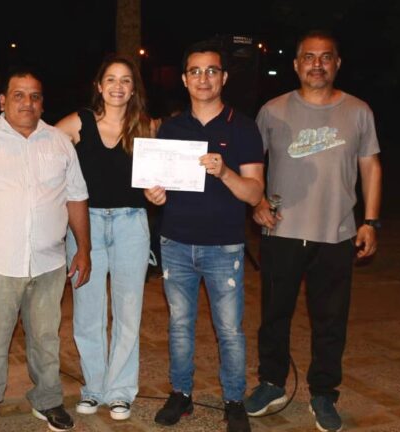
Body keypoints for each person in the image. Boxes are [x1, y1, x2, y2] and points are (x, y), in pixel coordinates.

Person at [244, 30, 382, 432]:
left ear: (337, 63)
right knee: (274, 315)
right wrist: (257, 203)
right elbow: (253, 164)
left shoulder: (358, 111)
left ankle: (323, 393)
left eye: (325, 57)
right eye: (309, 57)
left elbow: (371, 166)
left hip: (336, 234)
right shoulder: (272, 110)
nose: (316, 64)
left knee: (330, 321)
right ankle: (271, 383)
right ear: (296, 64)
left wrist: (371, 221)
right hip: (282, 231)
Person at [0, 68, 91, 432]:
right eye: (19, 95)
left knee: (46, 338)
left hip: (48, 262)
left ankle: (48, 399)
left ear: (43, 102)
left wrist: (84, 249)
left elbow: (76, 198)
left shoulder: (59, 142)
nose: (27, 103)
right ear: (3, 101)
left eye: (35, 96)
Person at [144, 40, 264, 432]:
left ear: (224, 77)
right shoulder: (171, 128)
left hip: (224, 246)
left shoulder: (243, 127)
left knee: (229, 330)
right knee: (180, 326)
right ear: (184, 79)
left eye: (211, 70)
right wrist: (154, 194)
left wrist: (225, 172)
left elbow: (255, 193)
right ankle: (181, 394)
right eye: (195, 71)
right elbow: (158, 184)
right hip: (175, 242)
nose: (203, 78)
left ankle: (234, 401)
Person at [53, 55, 155, 421]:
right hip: (86, 226)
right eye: (110, 79)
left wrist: (158, 193)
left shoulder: (145, 127)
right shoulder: (78, 122)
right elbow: (38, 141)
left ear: (133, 88)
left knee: (128, 311)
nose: (117, 86)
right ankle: (94, 388)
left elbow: (155, 182)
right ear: (99, 86)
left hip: (132, 224)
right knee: (87, 310)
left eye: (125, 80)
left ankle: (121, 391)